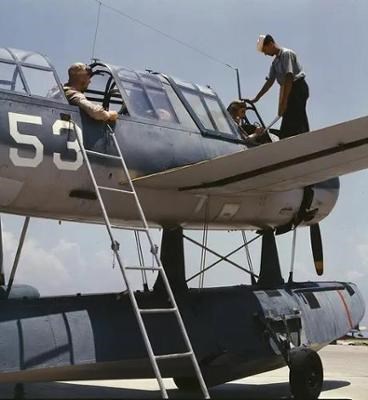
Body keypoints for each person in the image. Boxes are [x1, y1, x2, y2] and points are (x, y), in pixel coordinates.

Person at [249, 34, 309, 139]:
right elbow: (270, 82)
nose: (265, 54)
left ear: (271, 44)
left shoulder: (286, 54)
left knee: (297, 116)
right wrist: (256, 98)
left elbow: (289, 77)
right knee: (289, 117)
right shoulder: (275, 63)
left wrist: (284, 101)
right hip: (289, 89)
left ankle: (302, 138)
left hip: (297, 87)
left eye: (265, 50)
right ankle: (287, 137)